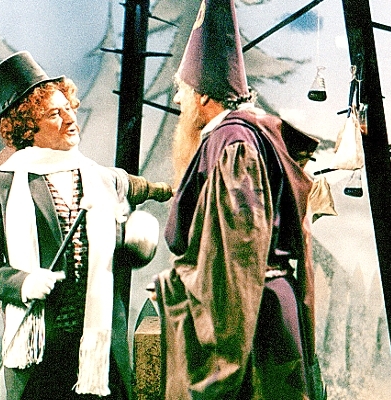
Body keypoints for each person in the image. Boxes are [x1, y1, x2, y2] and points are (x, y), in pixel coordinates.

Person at [0, 51, 172, 400]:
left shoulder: (99, 177)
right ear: (27, 125)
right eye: (54, 114)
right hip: (40, 356)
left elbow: (145, 190)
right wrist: (23, 282)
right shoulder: (1, 184)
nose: (70, 118)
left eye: (69, 108)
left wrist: (138, 233)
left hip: (99, 351)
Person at [153, 0, 319, 399]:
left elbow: (240, 254)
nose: (178, 102)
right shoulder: (246, 136)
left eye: (183, 92)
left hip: (248, 322)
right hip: (259, 307)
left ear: (204, 97)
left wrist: (222, 356)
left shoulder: (233, 143)